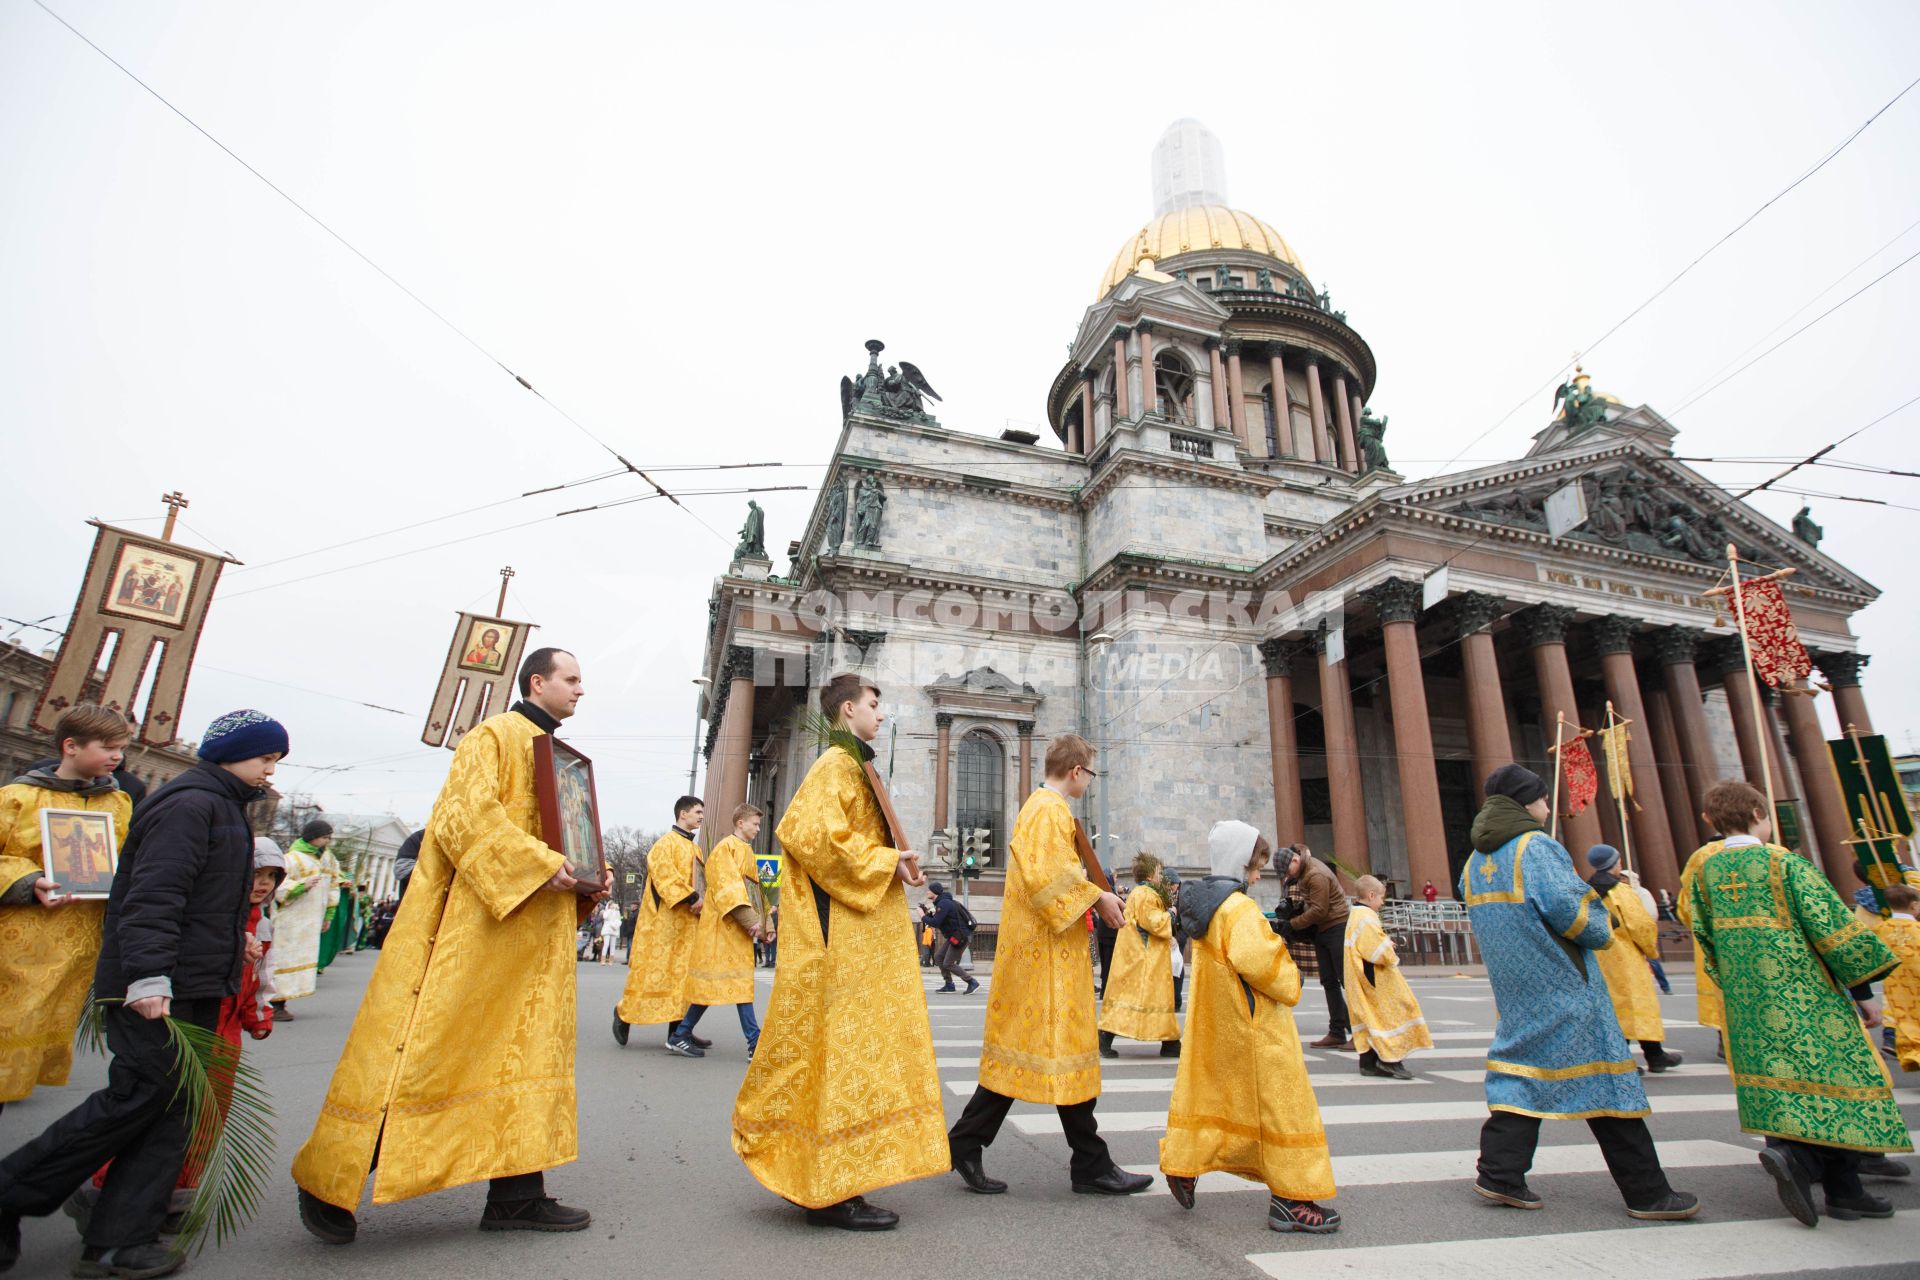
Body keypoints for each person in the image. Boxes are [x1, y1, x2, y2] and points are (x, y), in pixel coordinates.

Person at [292, 649, 608, 1243]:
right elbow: (465, 819)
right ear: (538, 682)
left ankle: (517, 1194)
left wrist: (595, 872)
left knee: (525, 1054)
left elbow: (571, 835)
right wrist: (544, 864)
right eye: (572, 679)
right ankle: (330, 1179)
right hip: (478, 930)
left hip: (535, 936)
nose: (580, 690)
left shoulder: (564, 760)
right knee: (431, 1048)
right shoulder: (492, 737)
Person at [0, 709, 286, 1279]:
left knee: (169, 1112)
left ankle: (119, 1242)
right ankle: (11, 1193)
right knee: (135, 1100)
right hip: (160, 985)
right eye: (265, 760)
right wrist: (149, 977)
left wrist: (235, 950)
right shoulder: (190, 804)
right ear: (232, 753)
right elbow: (156, 896)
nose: (270, 773)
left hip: (197, 981)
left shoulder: (221, 804)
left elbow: (207, 903)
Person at [731, 674, 944, 1231]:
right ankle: (830, 1191)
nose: (881, 714)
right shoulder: (835, 764)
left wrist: (892, 858)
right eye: (875, 705)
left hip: (862, 939)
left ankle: (833, 1177)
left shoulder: (855, 764)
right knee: (836, 1054)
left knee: (847, 1057)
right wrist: (884, 862)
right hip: (842, 941)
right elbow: (808, 834)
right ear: (848, 709)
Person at [1463, 764, 1698, 1221]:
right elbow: (1574, 916)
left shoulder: (1475, 861)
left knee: (1522, 1072)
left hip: (1516, 988)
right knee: (1606, 1080)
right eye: (1542, 798)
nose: (1548, 807)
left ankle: (1499, 1172)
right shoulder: (1536, 848)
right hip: (1564, 982)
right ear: (1524, 802)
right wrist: (1604, 925)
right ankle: (1647, 1192)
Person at [1685, 779, 1911, 1227]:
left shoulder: (1705, 873)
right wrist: (1864, 995)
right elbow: (1834, 931)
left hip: (1747, 1003)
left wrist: (1736, 984)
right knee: (1838, 1085)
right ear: (1756, 815)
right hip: (1807, 997)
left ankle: (1788, 1152)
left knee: (1777, 1087)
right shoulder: (1784, 864)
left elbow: (1704, 938)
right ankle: (1842, 1189)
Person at [947, 734, 1152, 1200]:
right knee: (1056, 1051)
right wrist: (1097, 896)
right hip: (1044, 958)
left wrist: (1093, 894)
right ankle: (1088, 1164)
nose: (1090, 782)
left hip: (1047, 954)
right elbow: (1048, 877)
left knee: (1045, 1056)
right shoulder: (1048, 809)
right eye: (1091, 773)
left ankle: (1078, 1160)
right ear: (1077, 771)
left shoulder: (1047, 808)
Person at [1162, 820, 1338, 1232]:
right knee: (1283, 1108)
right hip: (1257, 1027)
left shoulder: (1207, 907)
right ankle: (1293, 1199)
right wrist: (1289, 970)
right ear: (1242, 862)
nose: (1259, 874)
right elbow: (1267, 969)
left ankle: (1185, 1163)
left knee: (1212, 1096)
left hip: (1220, 1025)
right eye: (1257, 865)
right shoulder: (1238, 909)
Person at [0, 705, 132, 1111]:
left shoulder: (117, 802)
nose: (117, 757)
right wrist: (28, 880)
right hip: (19, 937)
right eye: (107, 747)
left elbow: (127, 860)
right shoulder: (19, 797)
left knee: (36, 1030)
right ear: (70, 746)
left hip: (78, 941)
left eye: (121, 749)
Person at [612, 798, 704, 1054]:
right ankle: (623, 1013)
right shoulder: (665, 844)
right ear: (683, 814)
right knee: (652, 974)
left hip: (686, 925)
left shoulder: (695, 849)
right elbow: (666, 878)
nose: (701, 816)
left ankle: (680, 1032)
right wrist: (694, 897)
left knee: (683, 978)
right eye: (697, 812)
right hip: (663, 926)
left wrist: (703, 900)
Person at [677, 803, 765, 1059]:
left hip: (734, 930)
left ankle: (680, 1034)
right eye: (755, 824)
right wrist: (752, 921)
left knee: (720, 985)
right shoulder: (726, 848)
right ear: (741, 823)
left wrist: (762, 924)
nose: (758, 829)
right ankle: (754, 1041)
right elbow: (730, 889)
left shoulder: (744, 850)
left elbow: (752, 891)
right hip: (722, 929)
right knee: (737, 985)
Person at [1584, 845, 1683, 1072]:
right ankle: (1637, 1058)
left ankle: (1653, 1054)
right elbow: (1639, 925)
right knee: (1637, 1007)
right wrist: (1650, 950)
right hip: (1625, 956)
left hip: (1600, 956)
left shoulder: (1588, 891)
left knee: (1614, 1008)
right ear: (1614, 863)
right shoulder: (1621, 891)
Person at [1344, 874, 1430, 1081]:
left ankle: (1368, 1062)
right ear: (1371, 895)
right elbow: (1375, 950)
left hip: (1363, 976)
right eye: (1381, 897)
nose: (1382, 902)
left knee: (1370, 1018)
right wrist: (1389, 949)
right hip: (1375, 978)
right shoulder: (1365, 917)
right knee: (1388, 1015)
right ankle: (1390, 1059)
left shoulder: (1357, 914)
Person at [1097, 851, 1179, 1059]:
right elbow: (1153, 922)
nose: (1162, 876)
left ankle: (1170, 1041)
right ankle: (1106, 1035)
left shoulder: (1141, 893)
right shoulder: (1146, 895)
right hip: (1143, 959)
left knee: (1151, 998)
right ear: (1151, 875)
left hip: (1139, 956)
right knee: (1139, 997)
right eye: (1159, 872)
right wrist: (1171, 914)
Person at [1282, 843, 1351, 1049]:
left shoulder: (1315, 874)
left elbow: (1319, 910)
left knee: (1347, 981)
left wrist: (1292, 924)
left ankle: (1363, 1033)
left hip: (1336, 927)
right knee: (1329, 981)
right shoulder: (1304, 872)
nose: (1287, 875)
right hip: (1323, 929)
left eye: (1287, 870)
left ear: (1295, 860)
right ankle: (1337, 1031)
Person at [271, 818, 338, 1020]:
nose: (327, 841)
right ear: (312, 837)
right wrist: (300, 886)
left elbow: (333, 886)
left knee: (299, 959)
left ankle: (282, 1000)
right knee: (281, 958)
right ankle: (274, 1003)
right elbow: (278, 885)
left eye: (328, 837)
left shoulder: (329, 860)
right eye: (323, 837)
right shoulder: (292, 858)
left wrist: (329, 914)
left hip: (311, 920)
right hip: (290, 919)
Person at [1876, 884, 1920, 1073]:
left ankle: (1913, 1054)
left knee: (1905, 1023)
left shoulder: (1881, 929)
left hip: (1895, 986)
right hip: (1917, 983)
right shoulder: (1917, 928)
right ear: (1914, 906)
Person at [925, 881, 979, 995]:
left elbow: (935, 923)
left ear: (934, 892)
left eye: (929, 890)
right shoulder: (943, 903)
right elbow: (940, 921)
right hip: (954, 937)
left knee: (948, 963)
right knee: (938, 957)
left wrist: (922, 915)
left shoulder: (944, 903)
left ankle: (971, 981)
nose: (927, 891)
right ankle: (949, 984)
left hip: (961, 937)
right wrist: (929, 915)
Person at [1624, 868, 1672, 994]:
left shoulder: (1642, 893)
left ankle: (1665, 985)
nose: (1622, 880)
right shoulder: (1621, 892)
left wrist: (1641, 924)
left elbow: (1650, 912)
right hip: (1627, 931)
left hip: (1643, 931)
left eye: (1624, 878)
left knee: (1652, 959)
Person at [597, 900, 623, 965]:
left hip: (614, 929)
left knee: (613, 945)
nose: (612, 906)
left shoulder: (617, 911)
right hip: (607, 929)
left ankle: (611, 960)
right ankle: (603, 960)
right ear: (608, 905)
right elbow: (605, 917)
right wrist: (610, 910)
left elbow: (619, 919)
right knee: (606, 944)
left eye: (613, 904)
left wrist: (616, 910)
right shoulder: (606, 911)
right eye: (610, 904)